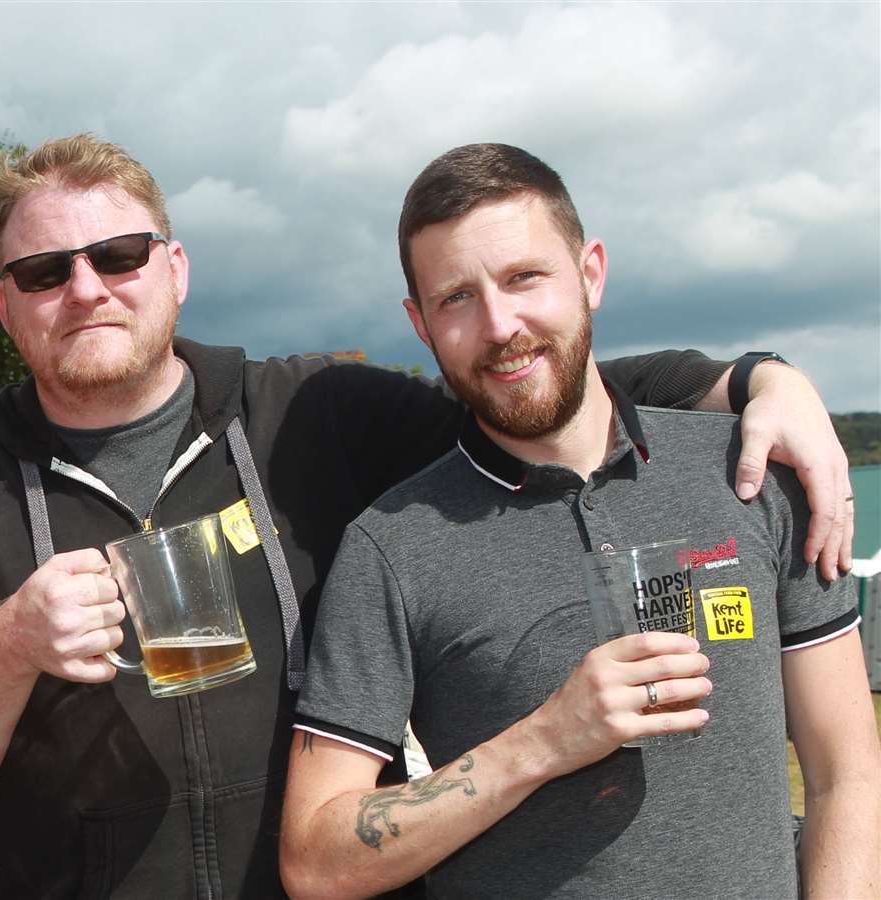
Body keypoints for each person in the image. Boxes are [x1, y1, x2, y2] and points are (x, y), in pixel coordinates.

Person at [0, 133, 856, 897]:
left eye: (119, 255)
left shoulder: (311, 415)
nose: (86, 288)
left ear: (173, 268)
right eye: (45, 271)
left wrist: (757, 376)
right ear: (5, 304)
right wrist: (8, 644)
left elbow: (521, 382)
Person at [279, 143, 879, 898]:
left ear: (590, 272)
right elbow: (315, 861)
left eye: (525, 277)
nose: (500, 326)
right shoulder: (391, 547)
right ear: (420, 324)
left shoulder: (754, 471)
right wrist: (546, 741)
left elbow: (845, 775)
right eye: (456, 297)